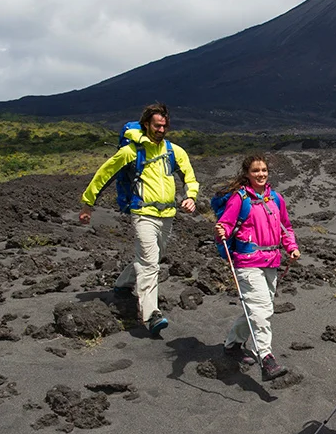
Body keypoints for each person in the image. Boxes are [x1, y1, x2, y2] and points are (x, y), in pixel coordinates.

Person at [79, 103, 198, 336]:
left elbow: (190, 178)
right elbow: (103, 175)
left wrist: (191, 196)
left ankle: (122, 284)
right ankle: (152, 314)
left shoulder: (174, 151)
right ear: (146, 124)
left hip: (167, 215)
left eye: (164, 126)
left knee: (150, 257)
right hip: (143, 213)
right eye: (157, 125)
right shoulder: (131, 152)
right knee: (151, 262)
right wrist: (87, 204)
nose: (161, 130)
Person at [213, 154, 300, 381]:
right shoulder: (239, 199)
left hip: (271, 260)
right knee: (261, 310)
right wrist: (222, 230)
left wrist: (291, 246)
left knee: (257, 309)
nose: (260, 174)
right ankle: (267, 358)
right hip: (247, 261)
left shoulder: (276, 199)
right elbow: (227, 224)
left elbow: (285, 227)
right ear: (247, 174)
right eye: (255, 171)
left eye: (263, 170)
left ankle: (232, 346)